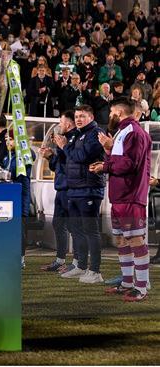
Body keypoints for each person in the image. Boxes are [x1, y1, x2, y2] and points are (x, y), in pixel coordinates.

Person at [89, 98, 151, 301]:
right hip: (120, 195)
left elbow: (130, 164)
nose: (109, 116)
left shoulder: (133, 132)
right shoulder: (123, 131)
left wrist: (105, 165)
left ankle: (141, 287)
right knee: (122, 240)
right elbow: (118, 161)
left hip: (130, 195)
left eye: (111, 112)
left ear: (118, 112)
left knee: (134, 239)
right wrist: (107, 151)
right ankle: (127, 283)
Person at [58, 105, 105, 283]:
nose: (78, 119)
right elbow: (70, 158)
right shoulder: (77, 134)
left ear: (91, 117)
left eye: (82, 116)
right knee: (76, 230)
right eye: (77, 116)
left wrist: (65, 147)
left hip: (89, 189)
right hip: (75, 189)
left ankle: (95, 271)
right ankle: (81, 266)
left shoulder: (95, 133)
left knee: (90, 231)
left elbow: (82, 156)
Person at [40, 110, 78, 272]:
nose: (59, 125)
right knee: (58, 223)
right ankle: (60, 259)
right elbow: (59, 166)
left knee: (74, 227)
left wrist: (55, 154)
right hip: (61, 187)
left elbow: (73, 163)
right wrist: (50, 157)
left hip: (71, 188)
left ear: (68, 124)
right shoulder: (64, 139)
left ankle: (78, 263)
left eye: (61, 122)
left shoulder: (74, 139)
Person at [2, 129, 35, 269]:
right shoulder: (7, 156)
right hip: (8, 197)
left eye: (10, 139)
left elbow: (13, 171)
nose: (7, 142)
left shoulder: (26, 154)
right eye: (6, 139)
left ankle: (21, 258)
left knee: (19, 230)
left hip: (20, 197)